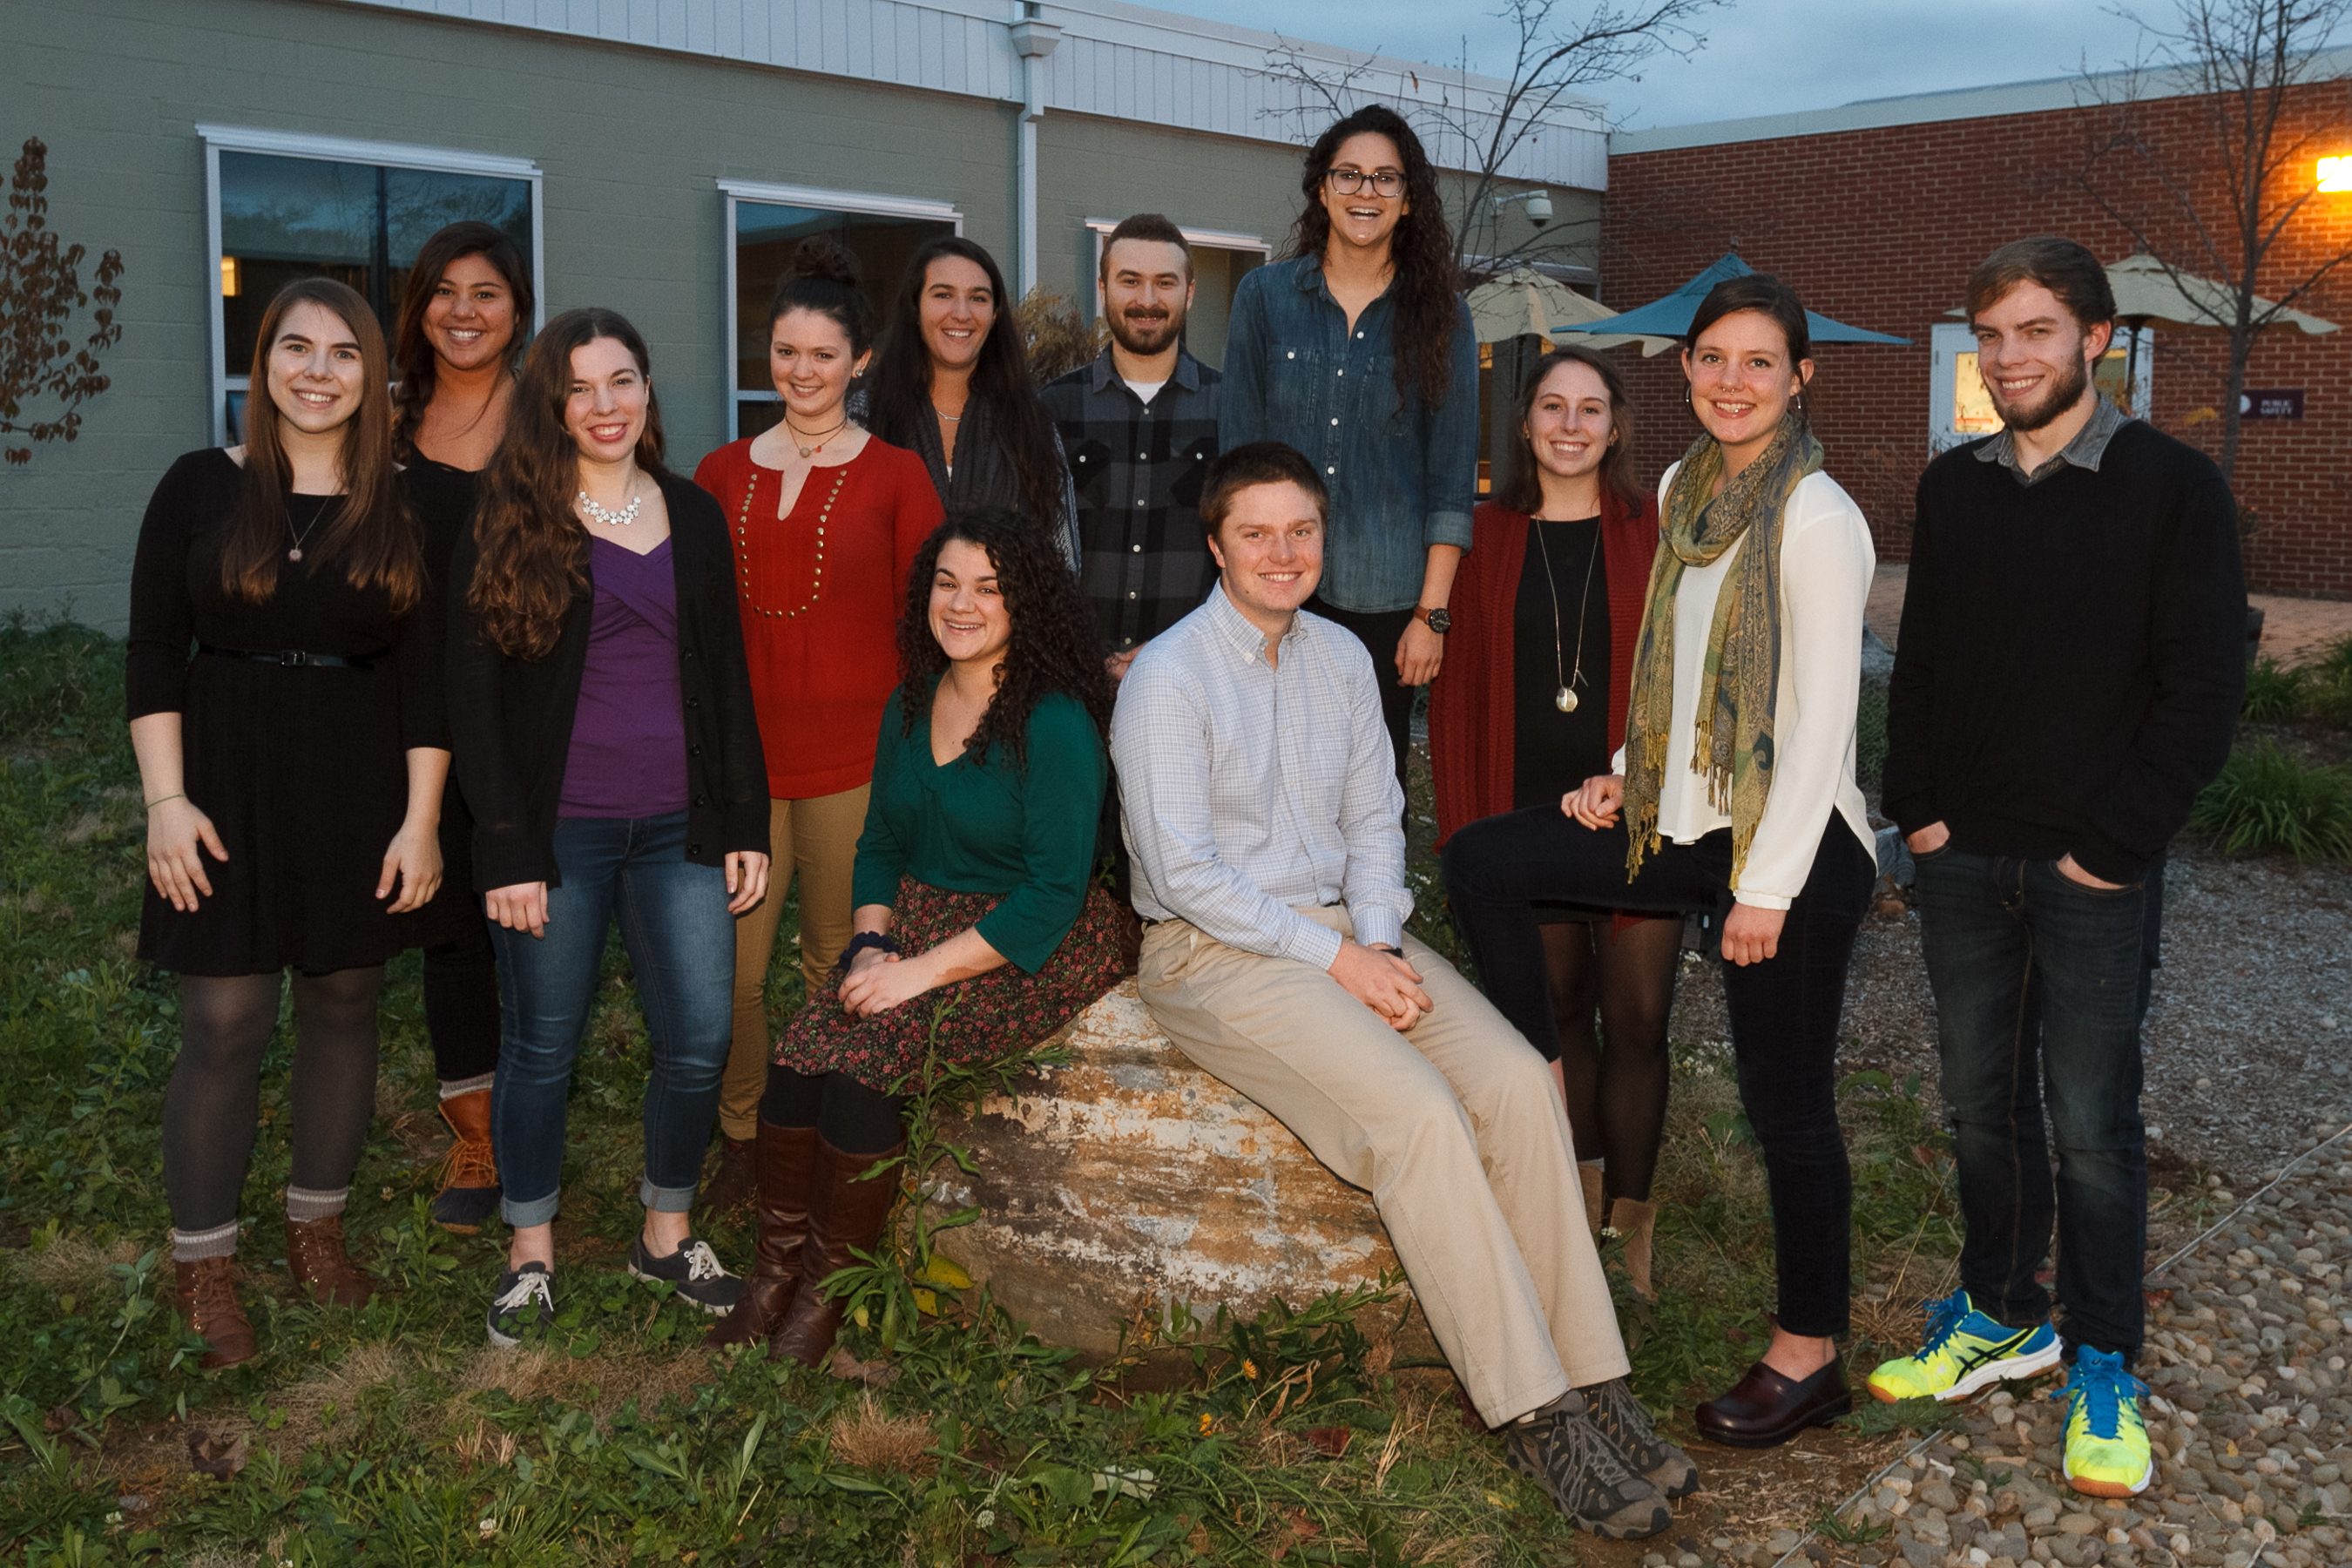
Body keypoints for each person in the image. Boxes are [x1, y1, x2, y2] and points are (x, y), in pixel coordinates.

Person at [1114, 441, 1694, 1540]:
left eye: (1302, 532)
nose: (1284, 554)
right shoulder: (1168, 678)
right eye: (1257, 533)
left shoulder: (1341, 659)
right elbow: (1185, 873)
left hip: (1352, 932)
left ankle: (1595, 1380)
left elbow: (1377, 823)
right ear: (1215, 545)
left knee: (1523, 1083)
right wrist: (1341, 963)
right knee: (1422, 1120)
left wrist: (1376, 942)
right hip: (1213, 952)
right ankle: (1531, 1410)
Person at [1443, 275, 1877, 1450]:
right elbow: (1670, 667)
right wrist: (1628, 769)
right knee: (1486, 859)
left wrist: (1764, 889)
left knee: (1789, 1108)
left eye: (1758, 362)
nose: (1732, 382)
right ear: (1684, 372)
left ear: (1800, 377)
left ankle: (1807, 1353)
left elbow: (1822, 715)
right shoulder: (1689, 487)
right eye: (1712, 360)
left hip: (1792, 852)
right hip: (1684, 823)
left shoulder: (1819, 515)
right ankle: (1537, 1075)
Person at [1869, 237, 2244, 1500]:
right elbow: (1918, 662)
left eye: (2035, 330)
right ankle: (2000, 1313)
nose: (2010, 356)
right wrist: (1915, 812)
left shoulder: (2171, 487)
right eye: (1992, 334)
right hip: (1963, 862)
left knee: (2091, 1129)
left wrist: (2110, 851)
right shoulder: (1956, 486)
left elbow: (2202, 694)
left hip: (2092, 876)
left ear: (2098, 340)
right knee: (1981, 1108)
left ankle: (2102, 1355)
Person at [129, 277, 466, 1368]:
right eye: (295, 348)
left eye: (344, 354)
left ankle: (316, 1228)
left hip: (357, 780)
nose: (318, 371)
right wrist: (165, 805)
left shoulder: (405, 504)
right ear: (262, 361)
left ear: (374, 377)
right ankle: (205, 1263)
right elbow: (150, 655)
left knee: (345, 1002)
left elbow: (428, 681)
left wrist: (421, 825)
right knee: (223, 1022)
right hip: (219, 780)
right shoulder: (195, 488)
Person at [706, 508, 1129, 1365]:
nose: (962, 605)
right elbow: (882, 847)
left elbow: (1054, 891)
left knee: (868, 1063)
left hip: (1031, 935)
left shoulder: (1053, 724)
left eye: (988, 589)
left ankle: (828, 1293)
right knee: (798, 1052)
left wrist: (917, 975)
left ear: (1027, 605)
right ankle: (772, 1276)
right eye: (946, 583)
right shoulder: (909, 702)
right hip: (921, 916)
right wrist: (869, 945)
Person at [446, 308, 771, 1346]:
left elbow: (727, 677)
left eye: (622, 381)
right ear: (553, 406)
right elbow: (472, 695)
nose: (604, 405)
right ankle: (529, 1249)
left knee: (701, 1038)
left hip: (680, 826)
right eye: (580, 388)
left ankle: (664, 1231)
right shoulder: (512, 516)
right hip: (560, 833)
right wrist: (505, 843)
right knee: (542, 1045)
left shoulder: (694, 514)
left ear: (647, 392)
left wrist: (743, 821)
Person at [691, 238, 944, 1214]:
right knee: (733, 977)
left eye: (824, 356)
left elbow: (929, 629)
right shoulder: (716, 473)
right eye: (786, 353)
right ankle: (746, 1132)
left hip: (854, 765)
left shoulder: (896, 477)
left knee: (840, 965)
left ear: (862, 362)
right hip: (746, 771)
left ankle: (832, 1140)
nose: (803, 372)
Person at [1429, 347, 1680, 1298]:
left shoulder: (1657, 532)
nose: (1569, 425)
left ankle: (1635, 1225)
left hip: (1634, 812)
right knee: (1558, 1011)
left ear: (1617, 427)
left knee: (1642, 1019)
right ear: (1525, 423)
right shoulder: (1481, 537)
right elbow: (1451, 688)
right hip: (1520, 805)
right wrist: (1472, 832)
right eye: (1551, 407)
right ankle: (1574, 1216)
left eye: (1590, 409)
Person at [1219, 105, 1477, 803]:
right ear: (1322, 189)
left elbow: (1451, 484)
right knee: (1260, 781)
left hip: (1386, 601)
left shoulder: (1444, 318)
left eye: (1386, 179)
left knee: (1367, 791)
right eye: (1350, 175)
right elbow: (1234, 460)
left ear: (1409, 200)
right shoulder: (1264, 298)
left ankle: (1370, 916)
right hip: (1270, 584)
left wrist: (1431, 618)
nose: (1367, 192)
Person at [390, 219, 535, 1233]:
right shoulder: (383, 434)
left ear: (516, 309)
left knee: (532, 920)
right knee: (450, 932)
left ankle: (537, 1114)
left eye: (486, 291)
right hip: (409, 710)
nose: (464, 311)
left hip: (532, 712)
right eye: (445, 291)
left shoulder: (553, 424)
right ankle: (477, 1136)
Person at [1039, 213, 1223, 672]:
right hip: (1072, 674)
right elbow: (1033, 550)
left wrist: (1170, 653)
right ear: (1103, 290)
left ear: (1190, 292)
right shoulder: (1052, 409)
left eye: (1165, 282)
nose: (1147, 300)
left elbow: (1245, 551)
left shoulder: (1231, 408)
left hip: (1192, 673)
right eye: (1130, 281)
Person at [867, 236, 1078, 570]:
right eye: (943, 295)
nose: (961, 314)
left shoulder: (1029, 423)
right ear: (914, 308)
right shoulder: (867, 415)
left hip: (1008, 620)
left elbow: (1061, 559)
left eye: (978, 298)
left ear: (995, 315)